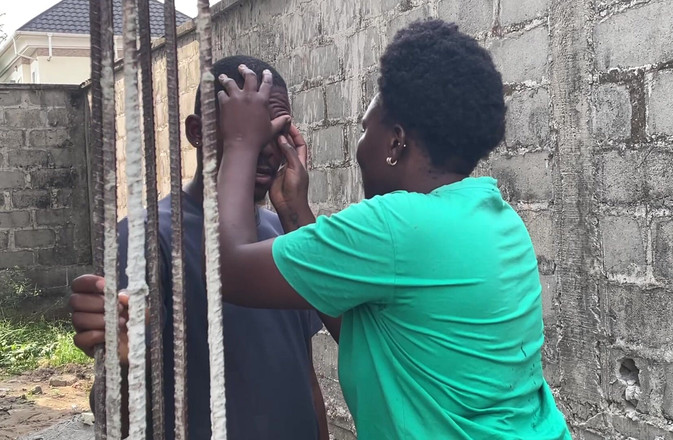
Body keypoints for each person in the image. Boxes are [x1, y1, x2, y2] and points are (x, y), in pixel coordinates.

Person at [214, 20, 571, 439]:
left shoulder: (396, 225)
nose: (360, 143)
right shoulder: (495, 217)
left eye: (366, 128)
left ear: (396, 142)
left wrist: (239, 141)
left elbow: (230, 269)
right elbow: (376, 339)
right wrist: (295, 212)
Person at [69, 56, 329, 440]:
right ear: (196, 132)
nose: (267, 147)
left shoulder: (285, 232)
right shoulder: (146, 237)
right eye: (248, 130)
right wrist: (122, 362)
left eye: (277, 130)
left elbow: (305, 377)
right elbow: (118, 418)